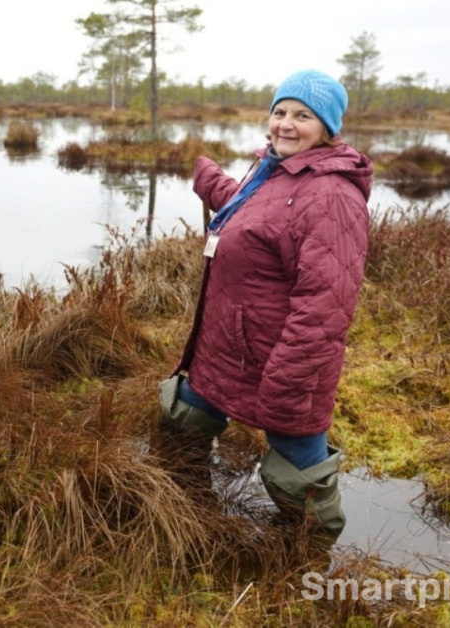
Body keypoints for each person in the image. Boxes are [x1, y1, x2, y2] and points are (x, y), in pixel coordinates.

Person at [156, 69, 373, 537]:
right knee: (188, 415)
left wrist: (289, 379)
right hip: (228, 344)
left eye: (303, 115)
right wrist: (212, 183)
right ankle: (183, 496)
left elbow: (325, 307)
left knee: (298, 466)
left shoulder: (332, 195)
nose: (286, 124)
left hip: (281, 359)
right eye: (280, 112)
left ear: (328, 129)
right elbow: (260, 215)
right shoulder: (275, 169)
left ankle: (314, 551)